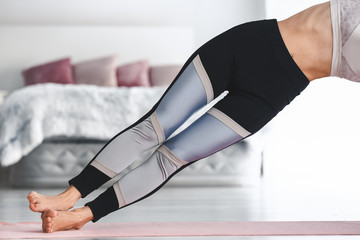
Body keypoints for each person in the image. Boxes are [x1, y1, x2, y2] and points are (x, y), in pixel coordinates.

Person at [27, 0, 360, 233]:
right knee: (155, 127)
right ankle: (69, 195)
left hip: (274, 90)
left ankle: (82, 216)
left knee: (172, 158)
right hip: (249, 45)